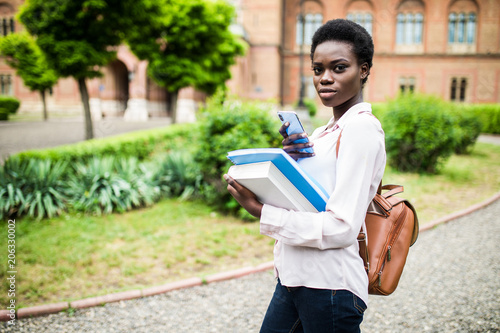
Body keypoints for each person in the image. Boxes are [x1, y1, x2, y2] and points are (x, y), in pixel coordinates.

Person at [224, 19, 385, 332]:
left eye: (339, 68)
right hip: (294, 279)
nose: (325, 78)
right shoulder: (324, 133)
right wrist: (291, 160)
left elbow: (341, 227)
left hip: (330, 287)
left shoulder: (361, 129)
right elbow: (310, 199)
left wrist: (260, 210)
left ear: (363, 70)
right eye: (318, 69)